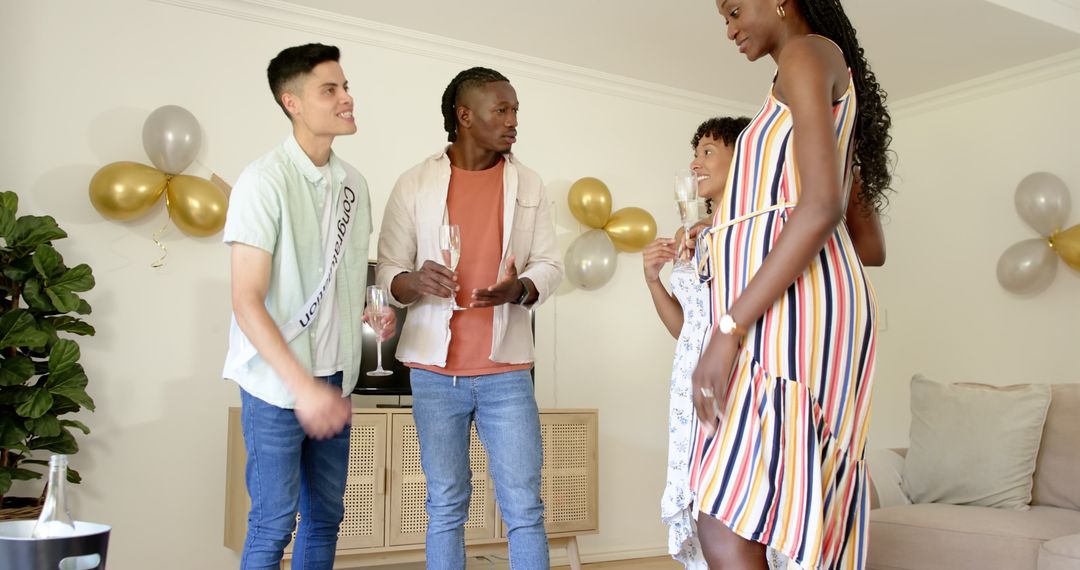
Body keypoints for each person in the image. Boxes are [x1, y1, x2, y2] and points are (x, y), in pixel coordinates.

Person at [689, 1, 892, 569]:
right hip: (786, 307)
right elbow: (823, 213)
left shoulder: (806, 53)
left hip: (794, 309)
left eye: (733, 10)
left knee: (724, 512)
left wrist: (727, 328)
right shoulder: (803, 70)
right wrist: (725, 229)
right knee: (732, 506)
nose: (729, 29)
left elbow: (823, 205)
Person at [376, 66, 562, 570]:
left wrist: (519, 288)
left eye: (515, 110)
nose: (513, 120)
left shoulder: (529, 181)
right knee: (444, 507)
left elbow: (549, 263)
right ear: (464, 115)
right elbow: (389, 270)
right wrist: (413, 282)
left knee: (524, 508)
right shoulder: (414, 183)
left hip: (507, 374)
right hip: (435, 376)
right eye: (501, 109)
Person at [222, 43, 394, 570]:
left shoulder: (355, 186)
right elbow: (246, 301)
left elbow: (346, 272)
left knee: (325, 518)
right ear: (291, 101)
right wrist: (301, 388)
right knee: (273, 523)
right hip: (278, 386)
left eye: (345, 87)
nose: (347, 98)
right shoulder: (262, 181)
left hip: (334, 378)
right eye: (331, 89)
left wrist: (371, 310)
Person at [642, 116, 750, 569]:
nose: (696, 161)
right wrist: (653, 280)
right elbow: (687, 328)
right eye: (697, 152)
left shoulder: (749, 230)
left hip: (736, 379)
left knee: (731, 506)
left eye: (708, 150)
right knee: (704, 506)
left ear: (743, 157)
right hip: (690, 383)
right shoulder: (693, 234)